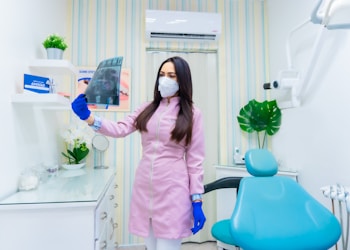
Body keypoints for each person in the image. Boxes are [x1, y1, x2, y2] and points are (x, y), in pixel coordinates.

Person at [71, 56, 206, 250]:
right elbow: (120, 128)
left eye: (171, 75)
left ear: (182, 80)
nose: (164, 79)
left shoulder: (193, 114)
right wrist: (89, 117)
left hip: (173, 191)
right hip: (145, 189)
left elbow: (195, 161)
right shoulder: (147, 108)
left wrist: (197, 199)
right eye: (162, 74)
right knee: (150, 247)